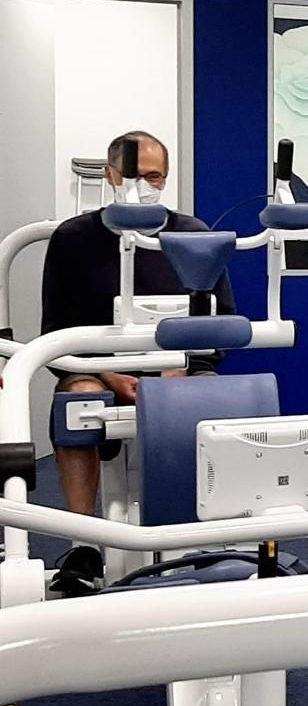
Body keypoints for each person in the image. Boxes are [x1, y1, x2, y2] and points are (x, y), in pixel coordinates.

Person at [40, 130, 236, 595]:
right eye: (132, 175)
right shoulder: (72, 239)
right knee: (78, 401)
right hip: (97, 369)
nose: (143, 186)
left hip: (179, 367)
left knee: (198, 400)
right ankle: (84, 543)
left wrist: (181, 365)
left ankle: (195, 538)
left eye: (154, 177)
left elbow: (222, 321)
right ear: (110, 175)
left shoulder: (192, 235)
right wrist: (107, 372)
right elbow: (54, 334)